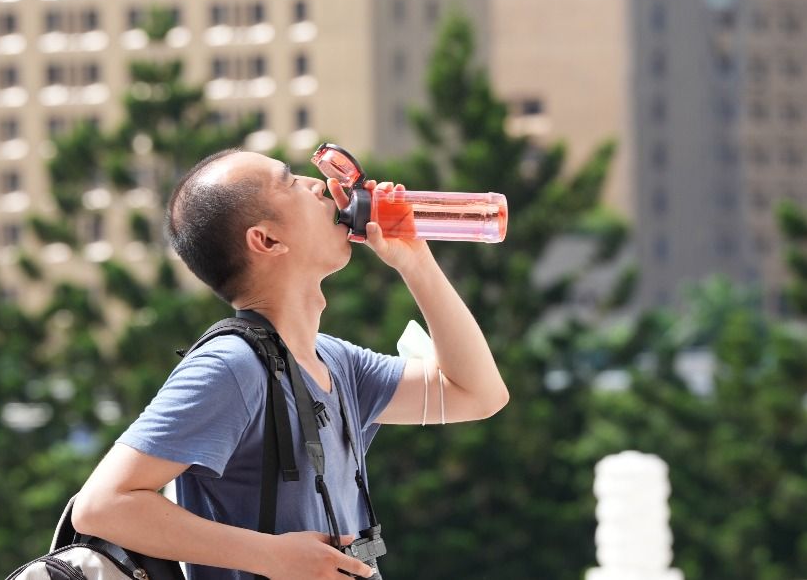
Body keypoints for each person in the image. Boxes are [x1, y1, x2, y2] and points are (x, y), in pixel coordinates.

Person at [72, 149, 510, 580]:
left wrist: (416, 262)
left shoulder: (336, 361)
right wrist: (275, 557)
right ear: (266, 239)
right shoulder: (231, 366)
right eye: (291, 181)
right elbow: (102, 505)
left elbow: (479, 394)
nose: (320, 185)